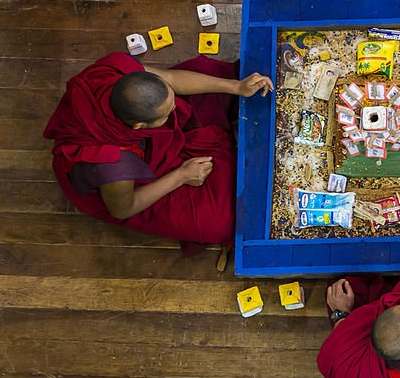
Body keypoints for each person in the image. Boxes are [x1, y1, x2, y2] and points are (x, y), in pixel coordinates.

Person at [43, 52, 273, 261]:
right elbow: (123, 209)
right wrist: (181, 176)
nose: (177, 110)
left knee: (204, 69)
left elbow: (170, 79)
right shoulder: (112, 166)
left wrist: (235, 87)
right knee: (222, 220)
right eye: (168, 113)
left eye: (171, 103)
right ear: (139, 125)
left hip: (144, 135)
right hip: (135, 180)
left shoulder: (114, 72)